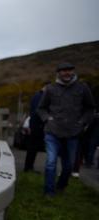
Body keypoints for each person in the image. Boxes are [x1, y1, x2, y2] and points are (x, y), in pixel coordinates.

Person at [36, 62, 96, 196]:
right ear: (58, 73)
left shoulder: (82, 88)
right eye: (63, 71)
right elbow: (41, 108)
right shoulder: (50, 88)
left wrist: (82, 122)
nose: (67, 73)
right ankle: (49, 192)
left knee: (68, 166)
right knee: (50, 163)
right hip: (52, 131)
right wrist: (47, 119)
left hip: (73, 133)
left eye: (69, 70)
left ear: (73, 71)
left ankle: (61, 185)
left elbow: (90, 108)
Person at [23, 82, 49, 172]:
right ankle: (28, 167)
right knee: (33, 148)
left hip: (35, 124)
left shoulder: (37, 96)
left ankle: (29, 167)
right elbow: (38, 111)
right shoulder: (40, 97)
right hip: (36, 125)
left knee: (33, 147)